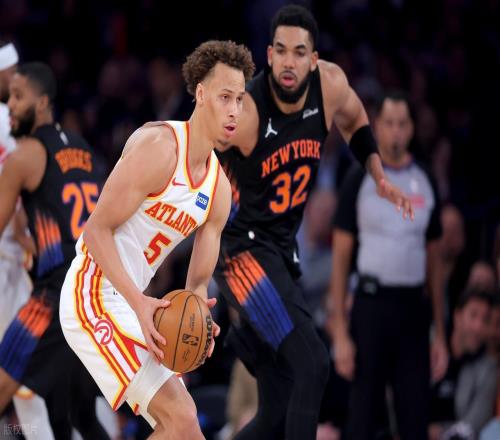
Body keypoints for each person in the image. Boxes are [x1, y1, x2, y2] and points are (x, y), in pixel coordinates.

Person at [213, 5, 413, 440]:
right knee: (313, 362)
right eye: (281, 51)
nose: (289, 61)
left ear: (314, 59)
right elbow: (201, 178)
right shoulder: (247, 112)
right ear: (269, 55)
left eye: (299, 52)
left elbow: (356, 120)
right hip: (241, 253)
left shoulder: (331, 85)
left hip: (280, 251)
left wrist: (378, 175)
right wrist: (198, 281)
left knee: (280, 404)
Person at [59, 40, 255, 439]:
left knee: (186, 428)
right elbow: (95, 231)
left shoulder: (218, 191)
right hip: (92, 293)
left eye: (240, 99)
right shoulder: (160, 148)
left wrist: (201, 323)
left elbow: (197, 285)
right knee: (181, 418)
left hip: (136, 305)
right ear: (201, 93)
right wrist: (140, 303)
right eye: (225, 97)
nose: (234, 109)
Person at [329, 91, 448, 439]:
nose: (396, 131)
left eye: (402, 124)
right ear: (377, 126)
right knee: (363, 416)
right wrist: (340, 333)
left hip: (413, 310)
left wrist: (440, 332)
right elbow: (339, 261)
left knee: (414, 416)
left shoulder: (425, 179)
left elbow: (435, 264)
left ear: (411, 128)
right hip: (370, 308)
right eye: (389, 123)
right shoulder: (358, 179)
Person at [0, 61, 109, 439]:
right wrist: (30, 239)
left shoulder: (24, 155)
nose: (10, 106)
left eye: (18, 97)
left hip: (55, 294)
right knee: (76, 412)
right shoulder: (84, 149)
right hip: (93, 291)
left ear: (43, 102)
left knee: (3, 384)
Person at [0, 40, 56, 440]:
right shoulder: (11, 123)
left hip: (13, 262)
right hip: (11, 259)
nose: (16, 78)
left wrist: (23, 232)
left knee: (23, 376)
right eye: (11, 73)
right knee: (22, 375)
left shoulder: (14, 123)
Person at [429, 290, 497, 439]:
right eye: (473, 315)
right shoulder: (430, 348)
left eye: (485, 320)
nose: (478, 327)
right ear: (457, 316)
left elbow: (474, 423)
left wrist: (440, 432)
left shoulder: (488, 369)